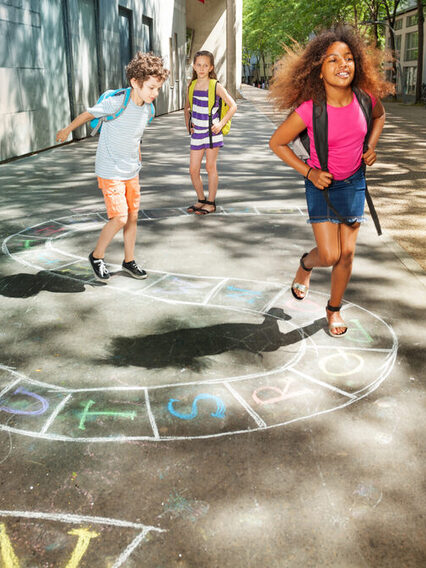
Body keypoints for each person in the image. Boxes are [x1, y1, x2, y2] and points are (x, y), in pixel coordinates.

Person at [269, 24, 393, 337]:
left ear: (357, 63)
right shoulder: (311, 109)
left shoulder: (365, 99)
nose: (342, 65)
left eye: (348, 58)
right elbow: (277, 143)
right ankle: (306, 265)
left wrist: (371, 146)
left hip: (353, 183)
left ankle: (333, 309)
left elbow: (380, 116)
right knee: (329, 255)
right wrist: (309, 171)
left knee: (347, 255)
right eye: (332, 60)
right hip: (320, 186)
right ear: (319, 70)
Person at [56, 52, 169, 281]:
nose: (154, 93)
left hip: (131, 170)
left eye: (158, 89)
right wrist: (67, 130)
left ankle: (129, 261)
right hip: (110, 169)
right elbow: (88, 114)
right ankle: (97, 256)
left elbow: (135, 136)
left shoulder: (148, 109)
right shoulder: (118, 101)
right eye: (150, 88)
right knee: (120, 217)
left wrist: (137, 157)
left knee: (133, 217)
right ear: (135, 82)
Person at [184, 50, 237, 215]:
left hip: (212, 132)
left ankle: (211, 202)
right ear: (194, 66)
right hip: (197, 133)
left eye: (205, 65)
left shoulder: (215, 85)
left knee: (210, 166)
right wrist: (189, 125)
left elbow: (233, 106)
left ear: (211, 67)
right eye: (198, 65)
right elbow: (187, 107)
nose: (201, 68)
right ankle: (201, 199)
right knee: (193, 169)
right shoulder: (192, 85)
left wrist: (221, 124)